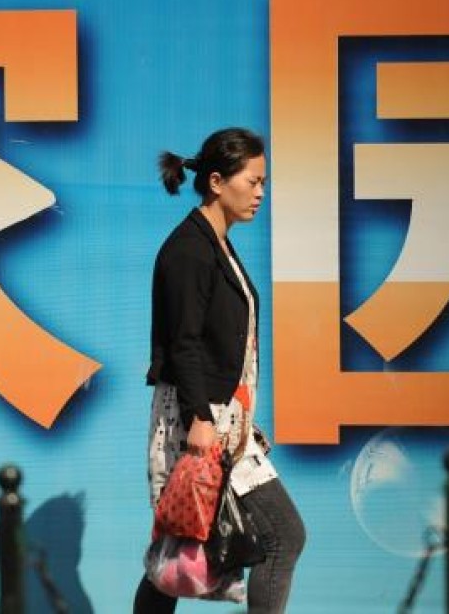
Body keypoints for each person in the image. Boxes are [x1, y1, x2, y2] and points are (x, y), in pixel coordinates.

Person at [134, 128, 305, 613]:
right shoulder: (189, 250)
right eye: (252, 181)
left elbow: (226, 345)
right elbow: (183, 342)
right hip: (198, 422)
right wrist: (202, 420)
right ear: (216, 181)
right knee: (275, 538)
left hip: (223, 421)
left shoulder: (218, 245)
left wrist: (240, 415)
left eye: (264, 183)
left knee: (177, 556)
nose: (260, 193)